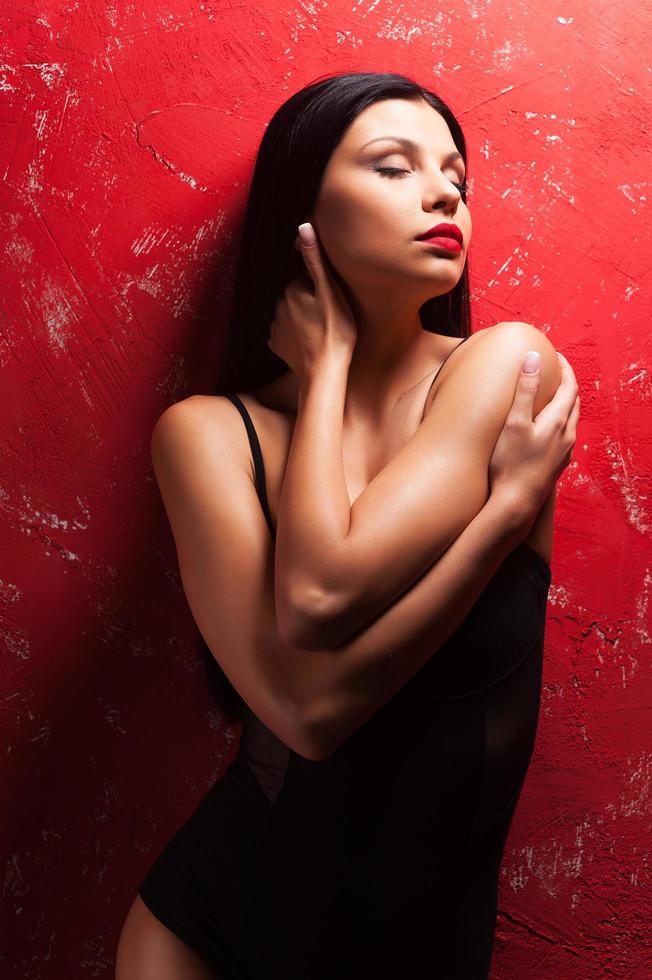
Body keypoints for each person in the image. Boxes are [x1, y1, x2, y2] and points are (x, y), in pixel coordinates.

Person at [115, 71, 579, 979]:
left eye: (455, 174)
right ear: (303, 211)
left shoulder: (503, 369)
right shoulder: (211, 435)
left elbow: (323, 601)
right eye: (392, 166)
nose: (445, 191)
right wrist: (504, 516)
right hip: (211, 934)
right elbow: (309, 699)